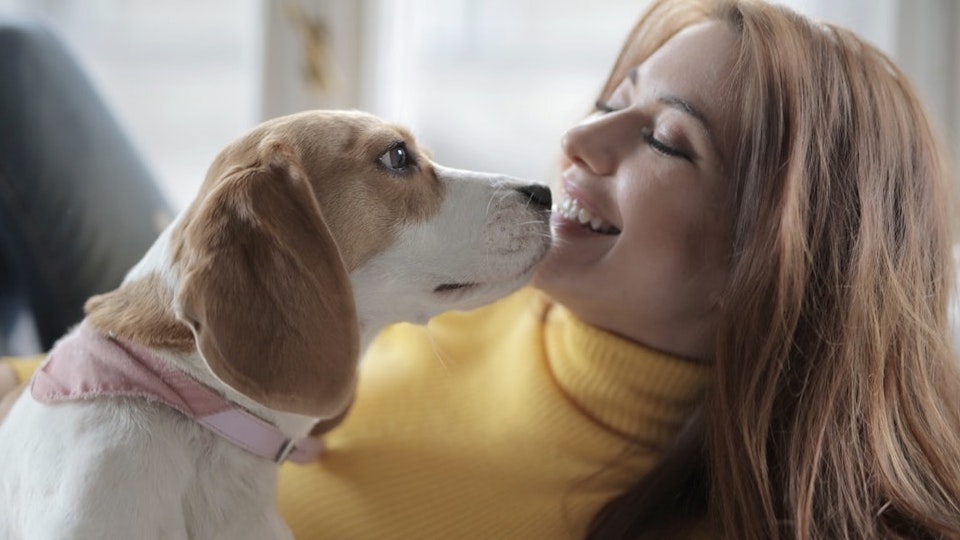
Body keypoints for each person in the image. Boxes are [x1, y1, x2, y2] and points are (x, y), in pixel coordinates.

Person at [3, 0, 960, 537]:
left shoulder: (640, 508)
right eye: (610, 98)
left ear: (768, 262)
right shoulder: (517, 271)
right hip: (179, 346)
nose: (579, 136)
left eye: (665, 139)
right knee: (23, 67)